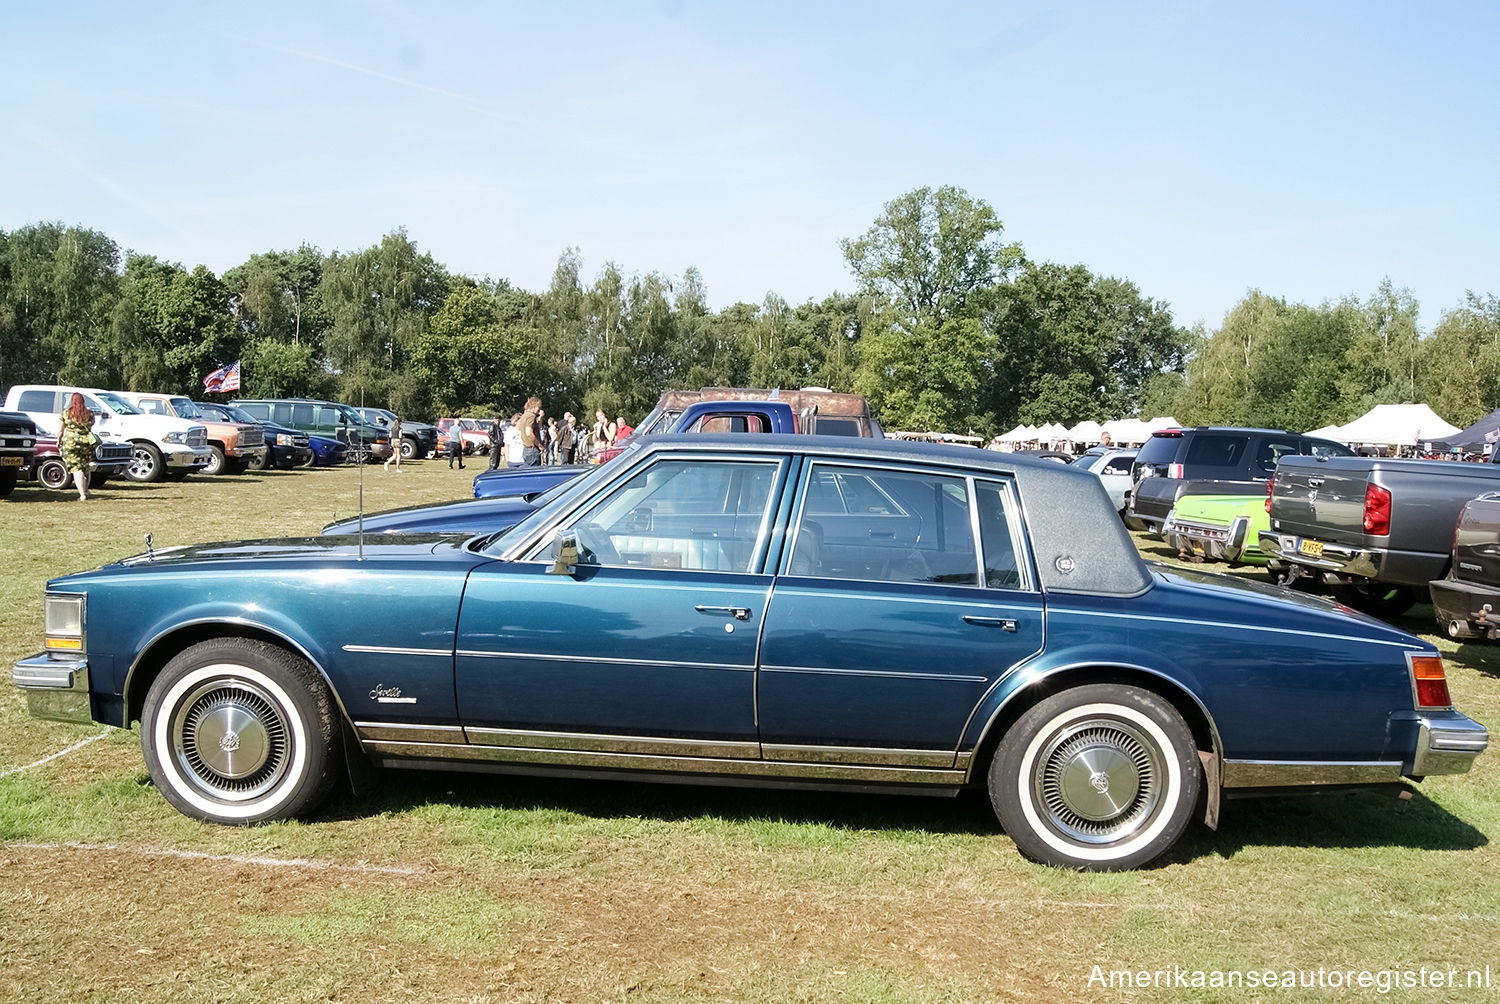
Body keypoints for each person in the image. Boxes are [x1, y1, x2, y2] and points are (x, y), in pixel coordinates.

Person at [59, 392, 98, 501]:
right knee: (85, 467)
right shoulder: (89, 414)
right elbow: (91, 425)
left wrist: (58, 441)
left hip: (71, 443)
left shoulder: (66, 413)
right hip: (86, 443)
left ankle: (82, 494)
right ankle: (86, 490)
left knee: (76, 468)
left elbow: (60, 431)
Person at [517, 396, 543, 467]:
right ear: (534, 406)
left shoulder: (524, 415)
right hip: (532, 450)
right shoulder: (531, 416)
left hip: (526, 449)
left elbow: (519, 427)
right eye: (539, 407)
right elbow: (528, 432)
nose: (540, 409)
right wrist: (539, 445)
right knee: (534, 474)